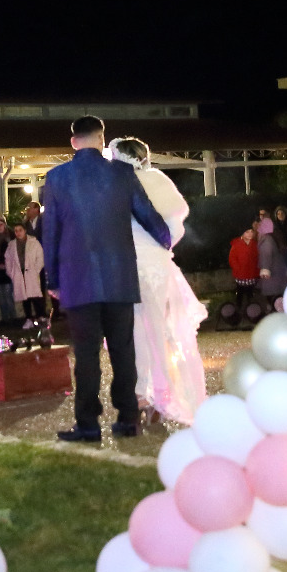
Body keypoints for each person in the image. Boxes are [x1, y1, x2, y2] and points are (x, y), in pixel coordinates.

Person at [44, 115, 171, 442]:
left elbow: (51, 233)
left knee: (86, 355)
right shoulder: (122, 174)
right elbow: (148, 216)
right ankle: (128, 419)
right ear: (102, 139)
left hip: (78, 278)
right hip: (119, 277)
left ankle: (87, 425)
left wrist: (54, 281)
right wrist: (165, 240)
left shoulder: (57, 178)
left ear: (73, 141)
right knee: (123, 351)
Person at [109, 136, 207, 425]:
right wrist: (161, 251)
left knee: (133, 331)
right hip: (155, 265)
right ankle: (158, 394)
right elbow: (174, 229)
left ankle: (142, 393)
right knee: (157, 330)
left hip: (126, 264)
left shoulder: (116, 185)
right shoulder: (159, 180)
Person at [5, 221, 46, 326]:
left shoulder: (34, 242)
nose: (18, 233)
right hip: (19, 273)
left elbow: (40, 257)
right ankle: (29, 318)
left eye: (20, 230)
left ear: (25, 231)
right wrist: (11, 273)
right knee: (25, 298)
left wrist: (36, 270)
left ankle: (41, 316)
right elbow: (8, 260)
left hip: (31, 272)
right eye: (16, 231)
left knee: (36, 297)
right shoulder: (11, 245)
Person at [257, 218, 287, 311]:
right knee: (278, 293)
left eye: (260, 226)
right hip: (277, 270)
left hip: (272, 272)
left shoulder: (266, 240)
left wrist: (265, 269)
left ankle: (276, 311)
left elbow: (266, 255)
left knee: (273, 295)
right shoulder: (272, 237)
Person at [228, 226, 260, 325]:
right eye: (247, 232)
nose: (250, 234)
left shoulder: (254, 244)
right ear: (242, 234)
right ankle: (238, 315)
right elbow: (232, 259)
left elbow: (257, 258)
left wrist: (256, 270)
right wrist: (238, 269)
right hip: (241, 276)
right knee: (240, 296)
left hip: (251, 275)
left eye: (251, 232)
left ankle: (252, 314)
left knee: (251, 295)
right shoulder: (236, 245)